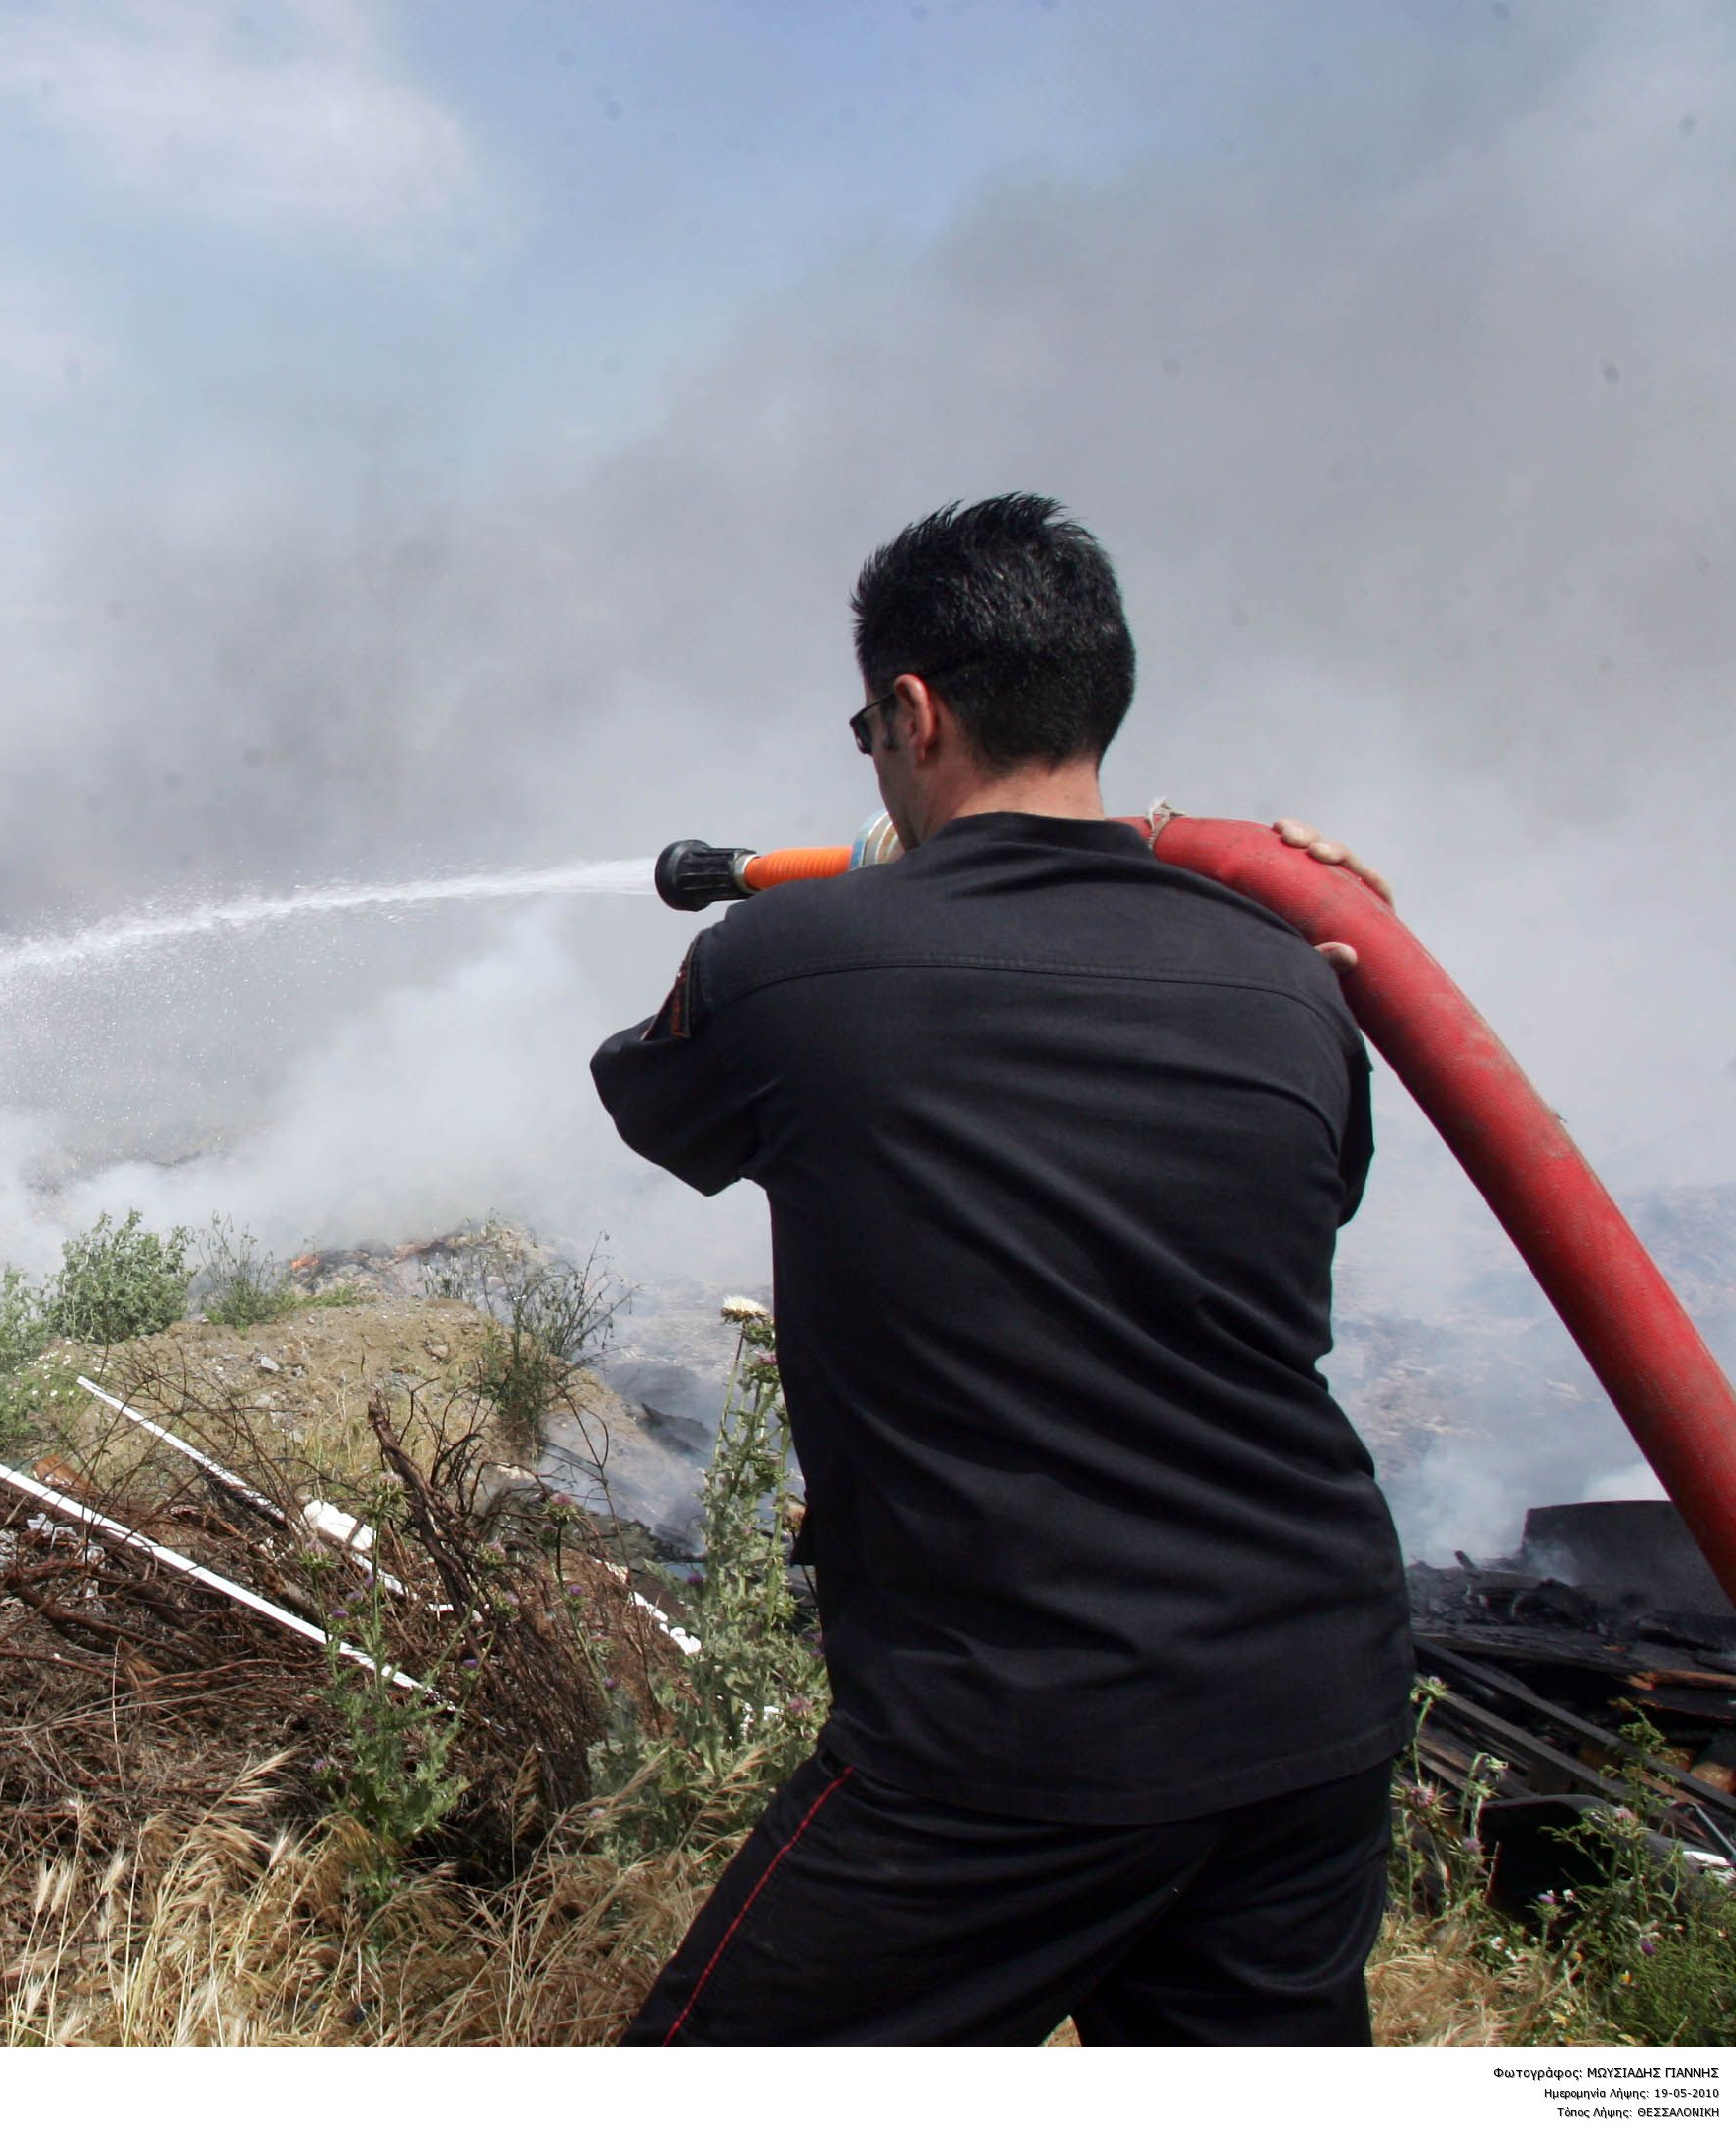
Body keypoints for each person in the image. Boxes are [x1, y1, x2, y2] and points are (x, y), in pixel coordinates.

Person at [592, 495, 1413, 2046]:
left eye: (867, 724)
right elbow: (1317, 1201)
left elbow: (657, 1099)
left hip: (1015, 1739)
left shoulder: (788, 961)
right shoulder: (1294, 983)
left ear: (913, 711)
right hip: (1314, 1714)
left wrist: (872, 898)